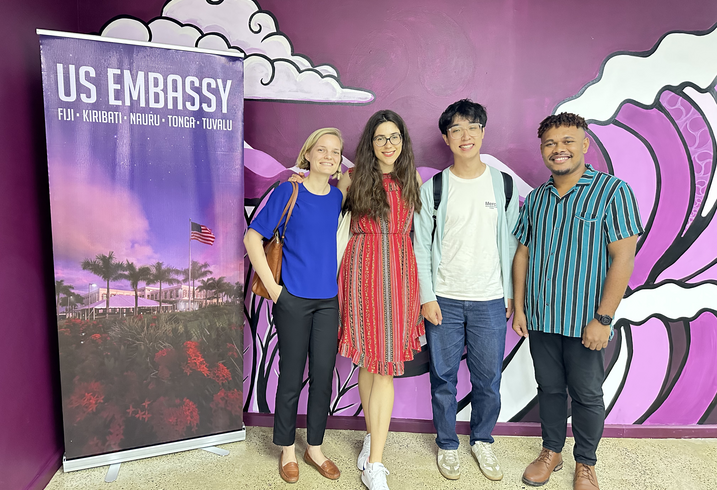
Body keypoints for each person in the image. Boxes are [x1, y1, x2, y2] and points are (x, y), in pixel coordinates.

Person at [512, 113, 643, 490]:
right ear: (542, 150)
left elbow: (623, 257)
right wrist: (520, 307)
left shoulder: (612, 192)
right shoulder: (537, 198)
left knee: (586, 393)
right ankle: (551, 450)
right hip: (541, 317)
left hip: (586, 320)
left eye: (568, 141)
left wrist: (604, 318)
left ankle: (585, 462)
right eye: (551, 143)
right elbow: (522, 253)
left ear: (584, 144)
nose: (559, 149)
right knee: (549, 389)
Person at [413, 99, 519, 482]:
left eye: (472, 127)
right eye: (456, 129)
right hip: (444, 298)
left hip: (490, 298)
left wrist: (510, 294)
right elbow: (420, 245)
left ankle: (483, 440)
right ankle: (446, 444)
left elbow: (511, 243)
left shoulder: (503, 185)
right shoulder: (435, 187)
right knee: (443, 376)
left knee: (487, 377)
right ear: (445, 137)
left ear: (482, 132)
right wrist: (427, 295)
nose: (465, 135)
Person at [244, 128, 344, 484]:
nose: (329, 156)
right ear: (308, 152)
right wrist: (273, 290)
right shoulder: (289, 190)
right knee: (290, 376)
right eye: (322, 149)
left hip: (327, 302)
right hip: (293, 299)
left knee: (322, 378)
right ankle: (286, 447)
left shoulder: (336, 197)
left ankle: (314, 447)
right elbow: (252, 237)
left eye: (336, 151)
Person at [337, 110, 424, 490]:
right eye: (380, 138)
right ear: (369, 144)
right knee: (369, 363)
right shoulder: (352, 178)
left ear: (403, 142)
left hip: (400, 273)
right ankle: (374, 448)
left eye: (394, 137)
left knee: (384, 365)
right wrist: (303, 180)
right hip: (362, 271)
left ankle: (374, 459)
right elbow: (325, 208)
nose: (388, 145)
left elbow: (421, 236)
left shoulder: (412, 179)